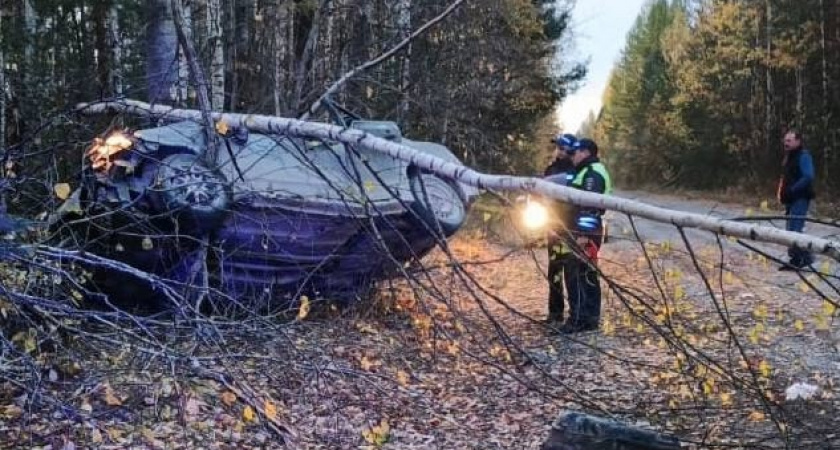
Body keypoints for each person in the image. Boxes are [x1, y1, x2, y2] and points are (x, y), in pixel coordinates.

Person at [560, 138, 612, 333]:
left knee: (578, 274)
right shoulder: (586, 171)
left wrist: (583, 236)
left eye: (576, 153)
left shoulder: (592, 173)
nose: (573, 156)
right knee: (587, 273)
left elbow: (590, 207)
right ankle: (589, 319)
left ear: (586, 152)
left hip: (585, 232)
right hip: (583, 231)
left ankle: (579, 319)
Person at [542, 133, 577, 326]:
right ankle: (554, 312)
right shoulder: (551, 168)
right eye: (558, 147)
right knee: (554, 269)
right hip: (551, 223)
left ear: (569, 151)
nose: (558, 151)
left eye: (562, 148)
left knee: (570, 269)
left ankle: (575, 314)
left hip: (568, 225)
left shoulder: (573, 171)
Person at [777, 130, 815, 270]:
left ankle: (803, 257)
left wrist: (793, 189)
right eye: (785, 140)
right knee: (789, 229)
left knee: (795, 229)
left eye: (789, 140)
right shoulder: (789, 157)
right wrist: (782, 193)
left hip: (800, 198)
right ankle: (798, 257)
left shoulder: (804, 156)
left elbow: (808, 176)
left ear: (798, 141)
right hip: (790, 199)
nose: (786, 143)